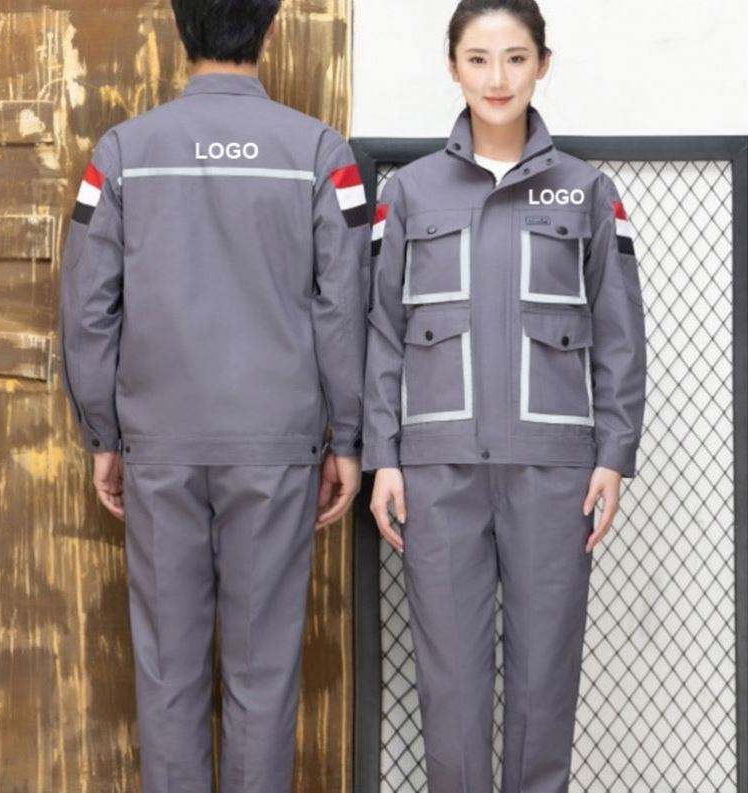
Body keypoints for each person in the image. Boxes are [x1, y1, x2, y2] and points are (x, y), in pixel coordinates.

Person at [59, 1, 369, 790]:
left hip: (159, 442)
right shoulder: (320, 154)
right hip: (275, 447)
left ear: (179, 28)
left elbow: (88, 304)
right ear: (269, 30)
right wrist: (347, 437)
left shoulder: (122, 153)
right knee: (263, 671)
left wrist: (103, 433)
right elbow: (341, 308)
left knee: (168, 670)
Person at [362, 1, 647, 792]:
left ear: (542, 65)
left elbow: (619, 333)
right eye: (479, 59)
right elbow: (381, 331)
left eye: (516, 58)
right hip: (437, 472)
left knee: (543, 681)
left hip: (553, 474)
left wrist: (612, 455)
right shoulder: (408, 193)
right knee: (449, 688)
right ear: (452, 66)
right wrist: (383, 457)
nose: (497, 78)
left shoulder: (586, 191)